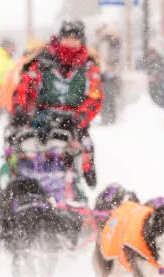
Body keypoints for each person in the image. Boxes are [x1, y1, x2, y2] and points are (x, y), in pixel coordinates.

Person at [12, 20, 103, 190]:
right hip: (42, 117)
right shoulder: (42, 62)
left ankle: (78, 182)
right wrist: (21, 109)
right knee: (20, 142)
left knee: (85, 147)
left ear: (81, 40)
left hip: (74, 122)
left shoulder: (89, 67)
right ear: (60, 38)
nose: (70, 41)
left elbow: (95, 99)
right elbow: (25, 87)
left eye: (75, 38)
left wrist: (78, 119)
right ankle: (18, 180)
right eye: (67, 37)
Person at [95, 24, 123, 125]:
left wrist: (105, 68)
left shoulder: (107, 42)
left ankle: (108, 118)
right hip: (108, 73)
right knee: (107, 97)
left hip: (107, 73)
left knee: (107, 97)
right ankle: (108, 118)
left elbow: (105, 57)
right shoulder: (113, 42)